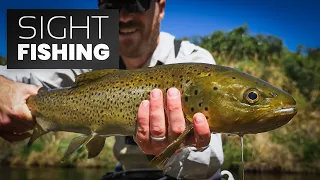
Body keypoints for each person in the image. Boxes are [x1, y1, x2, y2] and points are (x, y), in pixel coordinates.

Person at [0, 0, 224, 179]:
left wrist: (175, 151)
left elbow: (208, 163)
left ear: (161, 8)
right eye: (111, 6)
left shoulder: (197, 65)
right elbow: (13, 76)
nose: (124, 16)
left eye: (137, 3)